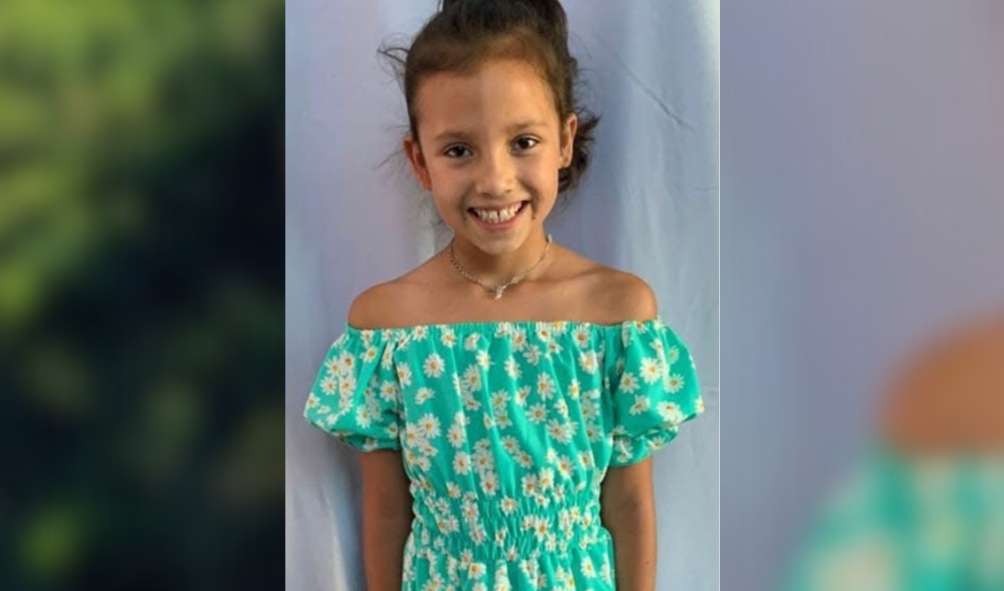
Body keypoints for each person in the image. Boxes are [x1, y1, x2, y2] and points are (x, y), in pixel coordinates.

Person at [303, 1, 705, 589]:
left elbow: (630, 506)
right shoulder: (386, 328)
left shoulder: (617, 315)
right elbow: (387, 512)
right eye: (458, 150)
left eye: (523, 141)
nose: (494, 180)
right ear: (420, 160)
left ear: (564, 141)